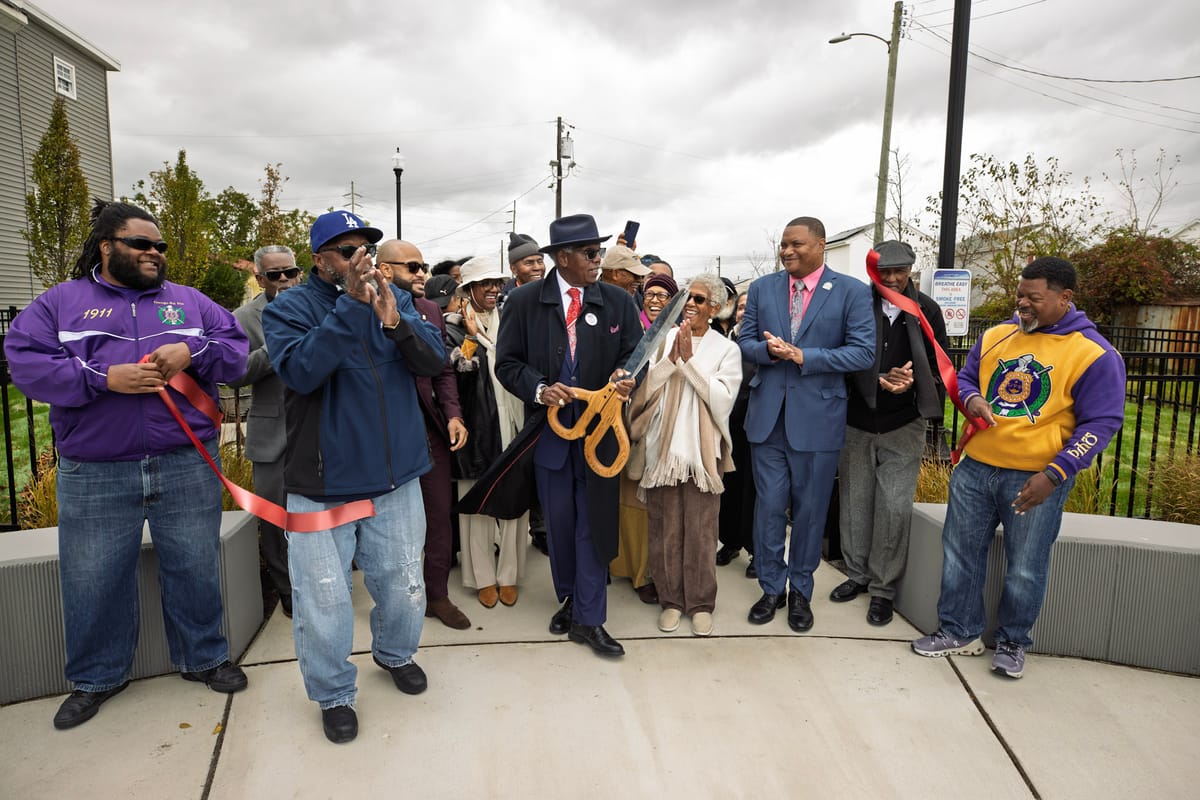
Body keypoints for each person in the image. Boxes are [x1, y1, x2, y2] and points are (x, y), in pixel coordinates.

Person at [5, 200, 250, 730]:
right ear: (107, 246)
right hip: (95, 472)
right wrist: (101, 379)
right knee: (93, 578)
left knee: (195, 567)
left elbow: (235, 351)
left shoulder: (188, 303)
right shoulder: (59, 304)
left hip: (185, 462)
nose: (155, 253)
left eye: (160, 246)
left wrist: (194, 353)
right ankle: (96, 678)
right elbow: (26, 363)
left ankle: (204, 657)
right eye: (142, 243)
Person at [262, 210, 446, 743]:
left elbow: (434, 363)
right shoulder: (291, 307)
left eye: (365, 247)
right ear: (320, 260)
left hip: (396, 478)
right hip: (323, 487)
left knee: (403, 585)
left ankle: (394, 654)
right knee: (324, 596)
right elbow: (300, 371)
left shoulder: (399, 297)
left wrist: (394, 320)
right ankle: (334, 691)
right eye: (346, 251)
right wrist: (351, 304)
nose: (359, 258)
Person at [912, 257, 1125, 678]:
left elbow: (1102, 422)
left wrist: (1054, 474)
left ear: (1066, 298)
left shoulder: (1093, 354)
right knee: (959, 554)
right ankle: (960, 632)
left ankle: (1013, 642)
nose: (1022, 305)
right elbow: (967, 379)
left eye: (1034, 298)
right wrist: (971, 400)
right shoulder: (996, 335)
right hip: (976, 469)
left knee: (1026, 565)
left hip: (1035, 477)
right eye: (1020, 295)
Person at [495, 213, 641, 657]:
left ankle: (590, 619)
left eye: (598, 252)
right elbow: (507, 364)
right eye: (592, 253)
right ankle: (571, 597)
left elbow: (637, 353)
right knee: (559, 527)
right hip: (550, 436)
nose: (600, 260)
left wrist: (627, 374)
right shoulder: (522, 303)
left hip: (602, 435)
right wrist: (540, 388)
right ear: (564, 258)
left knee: (592, 525)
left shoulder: (617, 301)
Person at [738, 216, 874, 633]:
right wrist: (769, 351)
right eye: (783, 244)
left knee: (811, 512)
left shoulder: (851, 291)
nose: (786, 251)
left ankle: (801, 591)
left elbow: (863, 353)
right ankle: (770, 588)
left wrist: (804, 357)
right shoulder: (763, 288)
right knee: (769, 507)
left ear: (820, 244)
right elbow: (744, 343)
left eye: (795, 243)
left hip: (818, 422)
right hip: (767, 421)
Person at [834, 241, 949, 626]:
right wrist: (875, 378)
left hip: (904, 422)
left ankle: (882, 589)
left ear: (911, 270)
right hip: (857, 419)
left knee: (894, 507)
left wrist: (913, 383)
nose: (893, 279)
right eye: (886, 273)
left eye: (900, 272)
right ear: (873, 273)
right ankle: (856, 575)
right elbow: (841, 359)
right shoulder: (856, 304)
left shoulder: (927, 310)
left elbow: (942, 367)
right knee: (855, 501)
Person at [633, 275, 742, 636]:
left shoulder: (727, 349)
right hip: (662, 452)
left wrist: (690, 363)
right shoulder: (663, 341)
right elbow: (645, 391)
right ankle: (671, 601)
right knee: (664, 528)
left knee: (701, 531)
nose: (691, 304)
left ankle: (699, 604)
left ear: (714, 308)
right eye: (687, 297)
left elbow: (722, 399)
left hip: (701, 457)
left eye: (699, 299)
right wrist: (671, 361)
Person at [376, 239, 471, 630]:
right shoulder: (364, 306)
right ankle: (395, 602)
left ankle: (437, 595)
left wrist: (453, 414)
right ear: (384, 270)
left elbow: (443, 371)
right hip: (382, 432)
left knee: (438, 514)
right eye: (412, 267)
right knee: (385, 525)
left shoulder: (429, 308)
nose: (422, 274)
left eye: (423, 266)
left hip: (429, 428)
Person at [446, 256, 528, 608]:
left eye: (497, 282)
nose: (494, 289)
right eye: (485, 284)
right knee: (475, 506)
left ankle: (508, 574)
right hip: (477, 429)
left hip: (514, 424)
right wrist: (469, 338)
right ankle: (482, 577)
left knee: (514, 501)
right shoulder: (451, 325)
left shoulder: (511, 322)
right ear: (469, 290)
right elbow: (453, 377)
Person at [228, 245, 302, 618]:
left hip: (320, 428)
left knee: (328, 509)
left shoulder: (317, 307)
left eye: (291, 272)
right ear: (260, 279)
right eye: (275, 275)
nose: (286, 280)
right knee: (275, 514)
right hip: (273, 433)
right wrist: (278, 345)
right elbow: (236, 373)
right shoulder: (242, 318)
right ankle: (286, 586)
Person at [611, 272, 679, 605]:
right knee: (630, 502)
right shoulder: (630, 331)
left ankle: (653, 572)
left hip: (668, 429)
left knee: (659, 505)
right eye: (650, 294)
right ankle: (632, 569)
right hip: (629, 425)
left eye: (663, 296)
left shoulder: (679, 336)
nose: (655, 301)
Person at [497, 232, 551, 555]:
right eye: (530, 261)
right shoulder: (507, 300)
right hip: (515, 390)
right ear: (514, 267)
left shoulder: (547, 295)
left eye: (540, 260)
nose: (538, 266)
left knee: (543, 462)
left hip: (543, 391)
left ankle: (542, 526)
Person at [715, 290, 758, 577]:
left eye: (748, 307)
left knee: (755, 491)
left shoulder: (763, 344)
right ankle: (730, 542)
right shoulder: (724, 343)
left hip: (756, 426)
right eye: (740, 308)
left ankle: (757, 550)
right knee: (729, 487)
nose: (743, 312)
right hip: (728, 425)